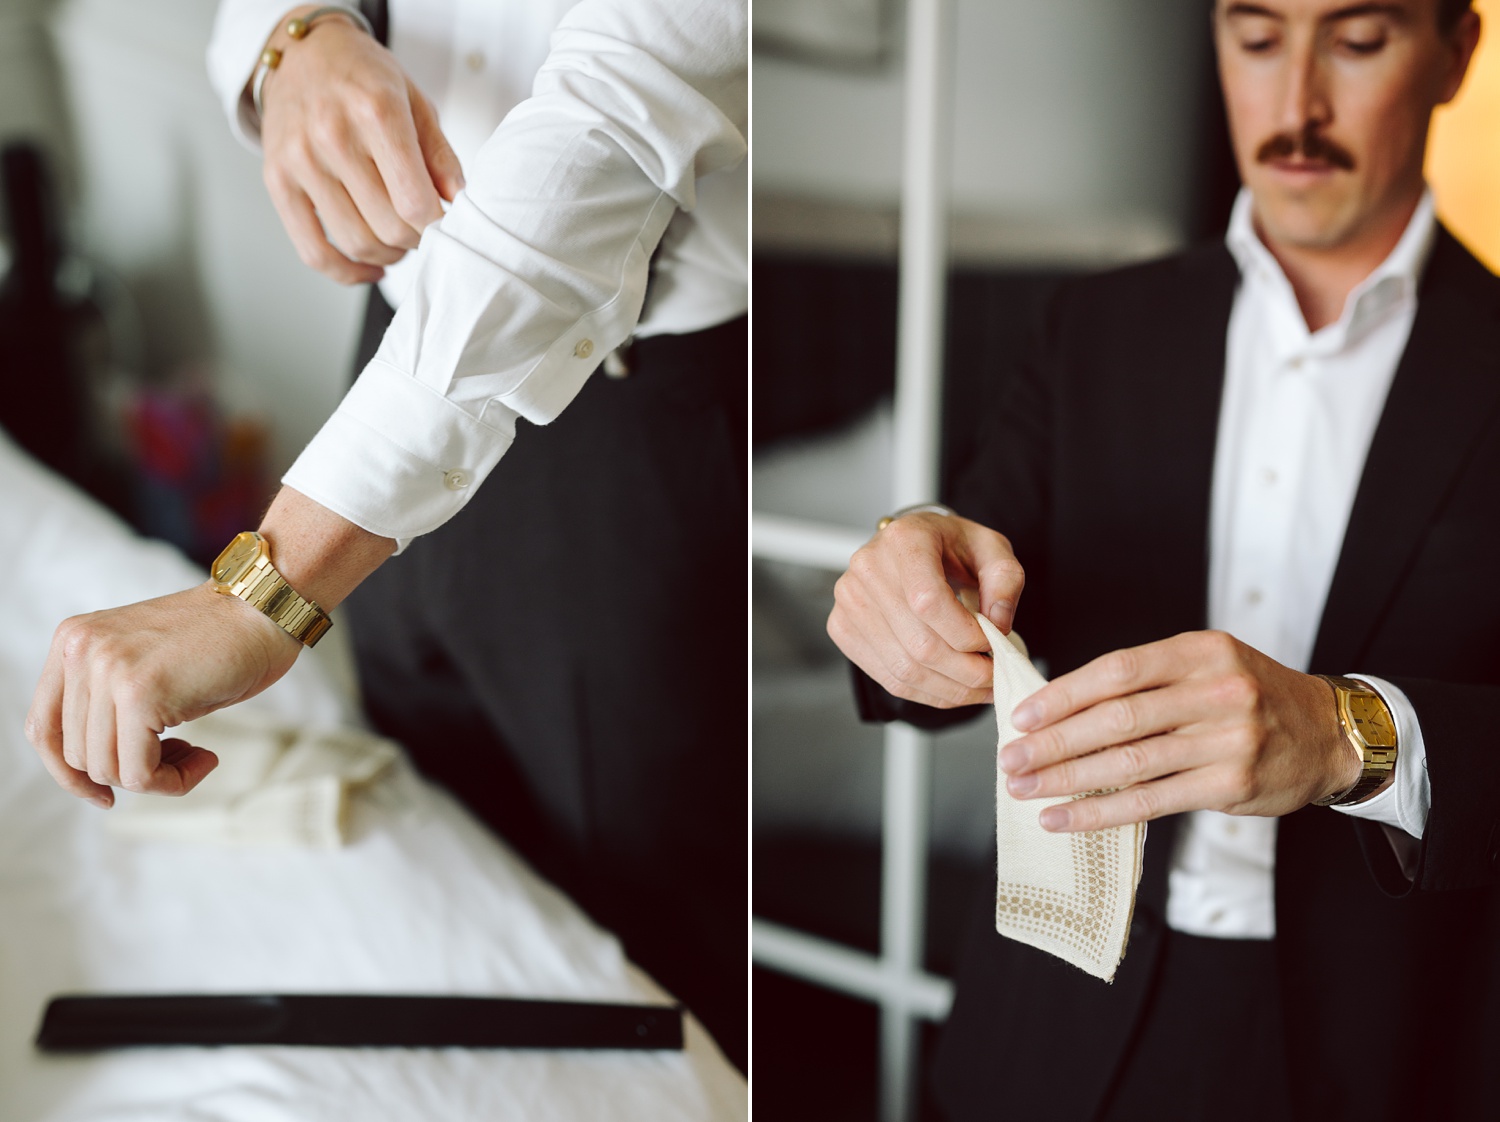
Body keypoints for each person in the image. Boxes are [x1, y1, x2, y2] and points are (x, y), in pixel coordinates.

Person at [26, 0, 747, 1068]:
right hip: (392, 357)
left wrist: (254, 595)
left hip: (626, 416)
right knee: (445, 858)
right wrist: (298, 38)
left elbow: (610, 129)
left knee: (659, 988)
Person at [827, 0, 1500, 1117]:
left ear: (1453, 53)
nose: (1297, 107)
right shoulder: (1092, 326)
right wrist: (906, 572)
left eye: (1359, 40)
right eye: (1256, 36)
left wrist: (1348, 739)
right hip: (1047, 1017)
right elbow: (962, 574)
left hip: (1384, 1054)